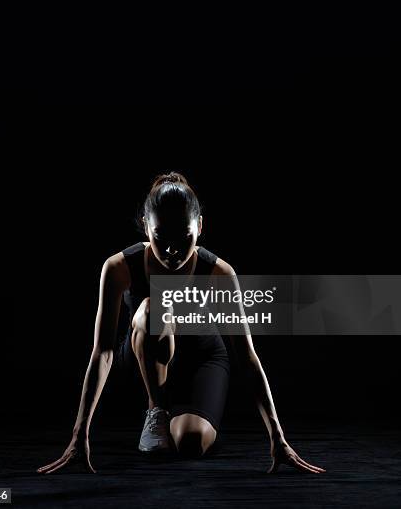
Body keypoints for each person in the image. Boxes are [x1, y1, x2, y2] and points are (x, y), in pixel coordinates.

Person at [37, 172, 326, 475]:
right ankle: (156, 410)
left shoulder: (219, 273)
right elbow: (103, 351)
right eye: (161, 238)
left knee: (190, 443)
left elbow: (246, 354)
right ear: (146, 226)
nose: (172, 250)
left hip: (201, 359)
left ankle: (186, 421)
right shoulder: (119, 267)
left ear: (199, 227)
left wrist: (277, 437)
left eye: (183, 238)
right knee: (154, 307)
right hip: (143, 353)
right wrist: (79, 434)